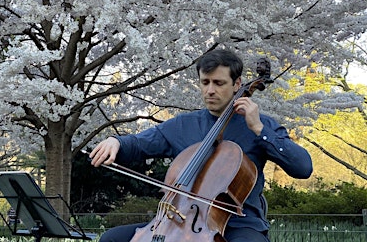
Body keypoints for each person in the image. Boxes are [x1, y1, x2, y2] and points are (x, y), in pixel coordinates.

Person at [89, 49, 313, 242]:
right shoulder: (183, 125)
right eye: (205, 82)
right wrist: (116, 142)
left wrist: (260, 130)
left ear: (237, 85)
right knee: (111, 238)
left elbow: (303, 168)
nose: (210, 90)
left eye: (218, 83)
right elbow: (139, 144)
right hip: (177, 220)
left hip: (240, 225)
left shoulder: (259, 124)